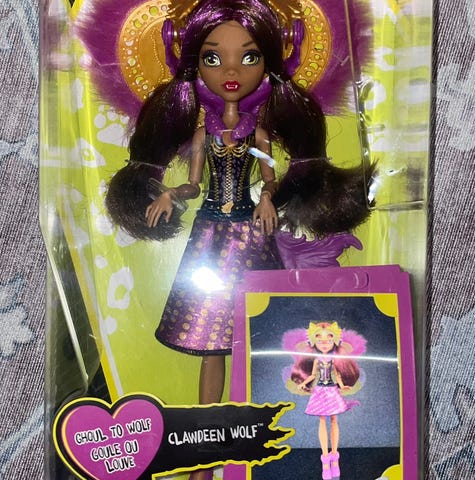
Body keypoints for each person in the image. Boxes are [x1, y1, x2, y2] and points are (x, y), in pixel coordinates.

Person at [85, 1, 373, 478]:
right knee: (211, 342)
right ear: (193, 62)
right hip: (210, 239)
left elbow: (270, 177)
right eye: (213, 58)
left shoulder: (259, 132)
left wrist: (268, 199)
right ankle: (206, 451)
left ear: (270, 62)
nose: (232, 71)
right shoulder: (203, 134)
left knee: (254, 338)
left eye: (250, 56)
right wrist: (170, 194)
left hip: (250, 234)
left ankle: (260, 444)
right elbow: (194, 184)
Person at [288, 322, 365, 479]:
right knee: (322, 420)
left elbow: (337, 375)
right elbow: (312, 375)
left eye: (329, 340)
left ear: (335, 342)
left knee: (334, 420)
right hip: (320, 391)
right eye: (320, 340)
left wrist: (342, 385)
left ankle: (335, 457)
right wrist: (303, 383)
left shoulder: (334, 360)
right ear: (314, 342)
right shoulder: (316, 360)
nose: (324, 343)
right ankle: (325, 459)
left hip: (332, 390)